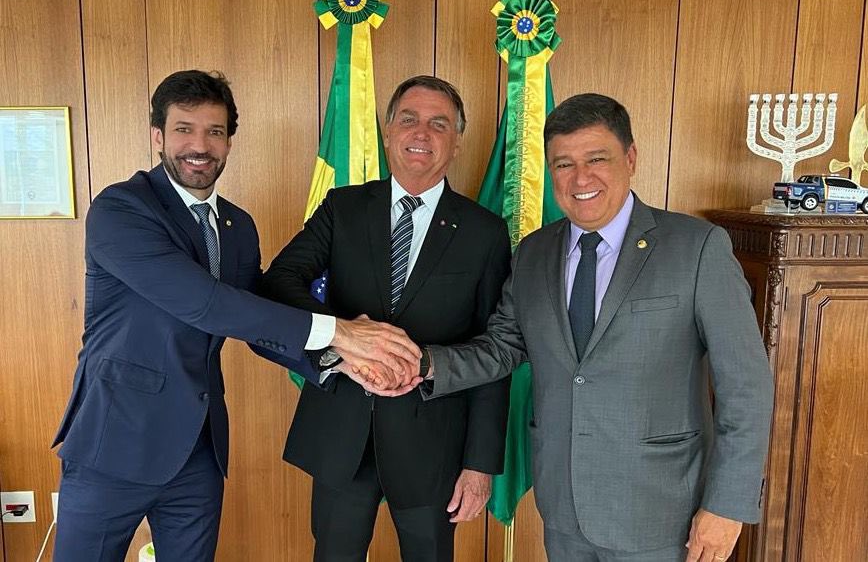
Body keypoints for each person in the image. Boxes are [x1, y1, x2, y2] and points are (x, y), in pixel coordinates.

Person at [51, 70, 418, 562]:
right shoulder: (121, 210)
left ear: (228, 143)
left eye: (214, 132)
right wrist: (343, 332)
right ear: (158, 136)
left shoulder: (237, 226)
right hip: (112, 445)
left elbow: (256, 322)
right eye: (184, 129)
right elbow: (205, 304)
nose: (199, 145)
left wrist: (336, 361)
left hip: (198, 449)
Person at [408, 93, 774, 562]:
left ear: (631, 158)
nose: (580, 178)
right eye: (563, 164)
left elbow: (746, 387)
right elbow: (502, 347)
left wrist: (727, 506)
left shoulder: (697, 248)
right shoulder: (534, 253)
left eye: (596, 158)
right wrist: (421, 364)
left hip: (663, 516)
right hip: (564, 510)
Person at [261, 75, 511, 562]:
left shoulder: (485, 232)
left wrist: (479, 467)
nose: (422, 133)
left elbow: (493, 352)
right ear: (389, 130)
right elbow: (279, 282)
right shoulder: (344, 207)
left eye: (439, 124)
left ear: (457, 141)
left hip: (433, 448)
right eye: (409, 119)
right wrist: (340, 342)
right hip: (340, 436)